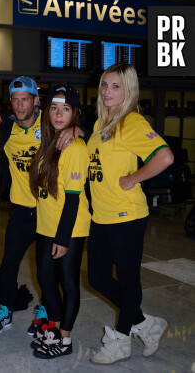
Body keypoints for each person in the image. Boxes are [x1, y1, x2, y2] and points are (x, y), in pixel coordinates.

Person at [87, 63, 173, 365]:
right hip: (100, 216)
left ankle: (121, 340)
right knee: (97, 278)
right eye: (104, 85)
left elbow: (165, 156)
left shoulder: (131, 122)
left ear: (128, 91)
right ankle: (148, 324)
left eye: (115, 86)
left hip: (127, 216)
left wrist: (133, 177)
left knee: (127, 279)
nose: (107, 91)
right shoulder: (100, 126)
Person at [0, 76, 83, 336]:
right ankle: (5, 308)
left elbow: (89, 130)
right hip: (20, 208)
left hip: (47, 211)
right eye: (15, 100)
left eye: (25, 99)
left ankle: (47, 310)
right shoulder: (6, 127)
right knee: (9, 263)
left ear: (36, 101)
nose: (19, 105)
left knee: (46, 272)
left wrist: (77, 129)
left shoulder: (52, 124)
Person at [28, 85, 90, 359]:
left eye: (65, 109)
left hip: (70, 228)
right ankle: (53, 326)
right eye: (54, 108)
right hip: (46, 225)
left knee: (67, 281)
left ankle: (64, 339)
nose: (58, 114)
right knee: (44, 278)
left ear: (75, 113)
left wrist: (63, 239)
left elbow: (74, 199)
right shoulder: (50, 143)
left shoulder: (75, 148)